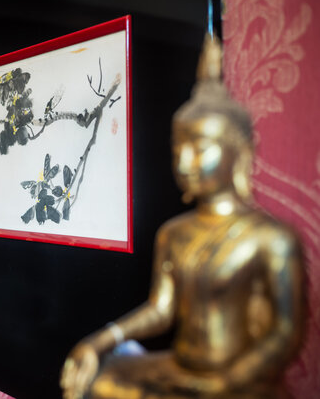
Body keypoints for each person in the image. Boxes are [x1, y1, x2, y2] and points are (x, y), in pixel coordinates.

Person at [60, 35, 306, 399]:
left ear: (239, 152)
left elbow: (286, 334)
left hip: (237, 382)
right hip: (181, 370)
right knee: (97, 381)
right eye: (178, 150)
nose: (184, 163)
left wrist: (226, 381)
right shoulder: (173, 233)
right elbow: (162, 309)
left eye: (199, 149)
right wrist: (98, 341)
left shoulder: (271, 238)